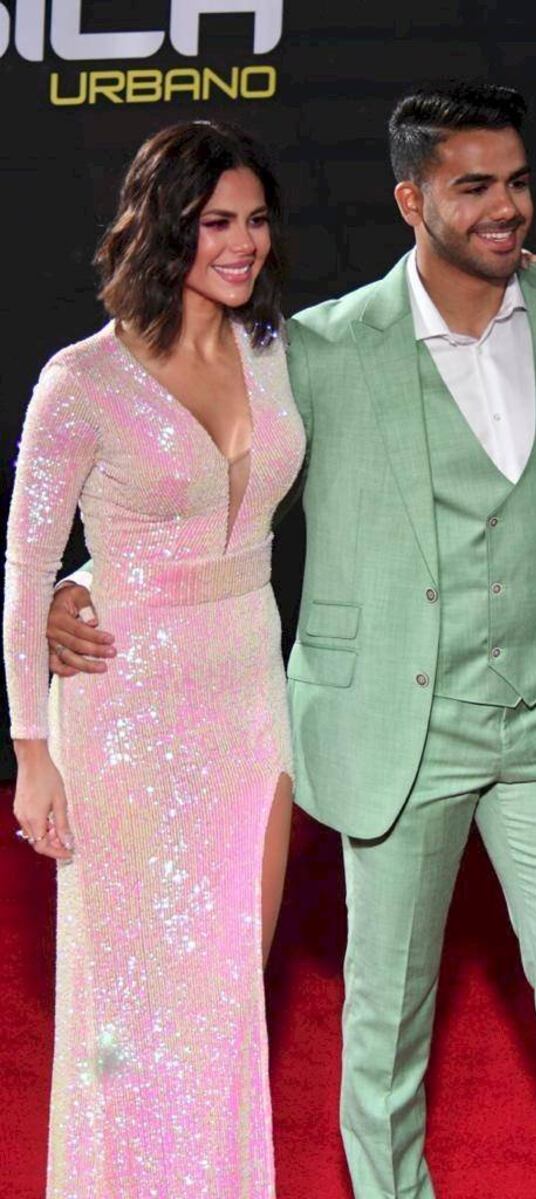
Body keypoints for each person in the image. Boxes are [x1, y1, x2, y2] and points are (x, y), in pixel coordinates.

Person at [48, 83, 536, 1199]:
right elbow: (211, 488)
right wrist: (81, 582)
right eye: (473, 187)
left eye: (518, 182)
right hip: (397, 729)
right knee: (386, 1022)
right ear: (410, 199)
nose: (506, 208)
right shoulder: (321, 348)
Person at [4, 120, 304, 1197]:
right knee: (131, 1014)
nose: (242, 243)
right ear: (166, 225)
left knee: (229, 992)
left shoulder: (274, 348)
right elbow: (24, 569)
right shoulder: (80, 381)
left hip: (249, 699)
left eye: (255, 220)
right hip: (123, 709)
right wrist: (30, 751)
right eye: (216, 221)